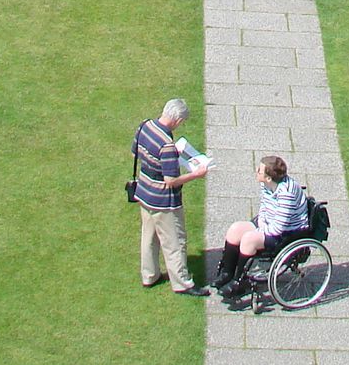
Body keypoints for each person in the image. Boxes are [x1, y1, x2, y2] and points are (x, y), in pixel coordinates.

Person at [133, 98, 211, 295]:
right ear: (178, 120)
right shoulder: (167, 145)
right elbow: (171, 181)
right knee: (175, 242)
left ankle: (149, 275)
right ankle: (182, 283)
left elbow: (136, 152)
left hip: (144, 192)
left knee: (149, 237)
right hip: (164, 201)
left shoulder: (144, 126)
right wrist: (197, 174)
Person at [214, 154, 311, 299]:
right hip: (268, 224)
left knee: (249, 239)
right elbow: (264, 208)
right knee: (235, 229)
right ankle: (227, 273)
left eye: (259, 170)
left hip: (286, 234)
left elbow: (278, 228)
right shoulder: (266, 184)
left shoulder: (286, 193)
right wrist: (261, 224)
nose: (256, 171)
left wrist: (259, 231)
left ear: (269, 178)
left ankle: (239, 282)